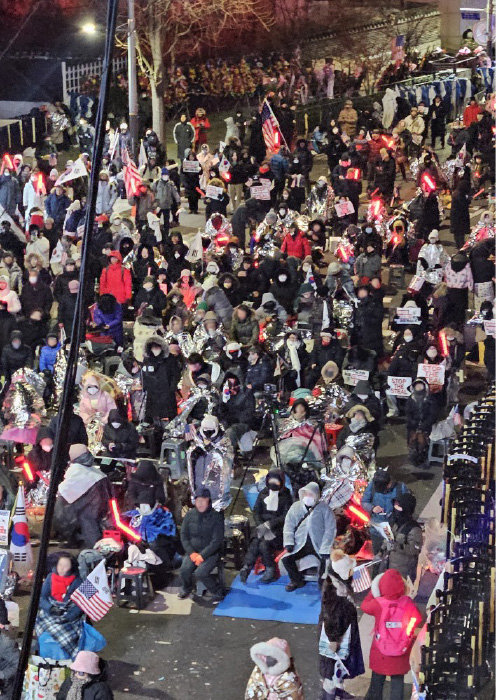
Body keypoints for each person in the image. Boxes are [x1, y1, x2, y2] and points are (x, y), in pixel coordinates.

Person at [361, 569, 421, 700]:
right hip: (401, 649)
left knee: (377, 680)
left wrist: (373, 592)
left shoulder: (378, 604)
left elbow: (364, 606)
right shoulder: (407, 603)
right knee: (397, 682)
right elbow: (417, 618)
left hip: (380, 651)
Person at [319, 550, 365, 700]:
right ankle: (329, 696)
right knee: (332, 669)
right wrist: (333, 639)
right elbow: (330, 617)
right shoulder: (333, 593)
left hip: (343, 632)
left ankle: (338, 690)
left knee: (339, 666)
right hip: (336, 636)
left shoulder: (338, 584)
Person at [239, 470, 293, 584]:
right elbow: (256, 511)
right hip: (262, 526)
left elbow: (286, 516)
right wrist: (261, 524)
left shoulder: (286, 496)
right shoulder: (263, 493)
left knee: (263, 544)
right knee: (255, 542)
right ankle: (247, 566)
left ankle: (270, 568)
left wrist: (270, 524)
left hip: (278, 530)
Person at [282, 482, 336, 591]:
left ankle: (323, 584)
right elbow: (289, 525)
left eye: (311, 495)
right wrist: (289, 542)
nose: (307, 497)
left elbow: (330, 529)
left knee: (325, 562)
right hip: (300, 544)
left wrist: (325, 548)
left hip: (318, 544)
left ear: (316, 495)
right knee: (286, 560)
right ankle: (296, 580)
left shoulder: (324, 509)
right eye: (305, 494)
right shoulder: (296, 507)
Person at [56, 444, 111, 547]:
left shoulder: (76, 469)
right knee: (86, 519)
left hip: (93, 498)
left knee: (87, 520)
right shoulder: (90, 469)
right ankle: (79, 541)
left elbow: (65, 490)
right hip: (98, 494)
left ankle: (95, 547)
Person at [178, 487, 224, 601]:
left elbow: (216, 541)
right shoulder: (189, 515)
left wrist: (202, 555)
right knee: (184, 570)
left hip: (211, 553)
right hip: (193, 551)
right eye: (198, 501)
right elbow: (184, 535)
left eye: (203, 501)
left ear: (208, 501)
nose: (200, 504)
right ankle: (186, 587)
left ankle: (217, 590)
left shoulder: (216, 517)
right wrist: (191, 553)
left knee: (201, 572)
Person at [36, 553, 83, 660]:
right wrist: (50, 608)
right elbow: (42, 597)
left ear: (72, 567)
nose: (62, 568)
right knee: (44, 637)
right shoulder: (50, 577)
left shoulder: (78, 581)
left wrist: (68, 617)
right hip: (49, 612)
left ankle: (64, 661)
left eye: (66, 566)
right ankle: (45, 659)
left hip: (68, 615)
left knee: (65, 640)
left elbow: (80, 605)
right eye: (60, 565)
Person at [381, 492, 422, 583]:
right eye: (395, 506)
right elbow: (388, 538)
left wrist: (397, 546)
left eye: (399, 507)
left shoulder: (414, 529)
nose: (396, 509)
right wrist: (381, 551)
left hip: (403, 572)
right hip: (389, 567)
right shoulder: (395, 523)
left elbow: (415, 549)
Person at [405, 378, 436, 467]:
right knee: (412, 441)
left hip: (426, 426)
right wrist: (413, 422)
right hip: (413, 426)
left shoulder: (430, 400)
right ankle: (414, 456)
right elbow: (408, 414)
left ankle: (423, 457)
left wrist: (424, 425)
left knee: (423, 442)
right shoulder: (410, 399)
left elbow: (433, 415)